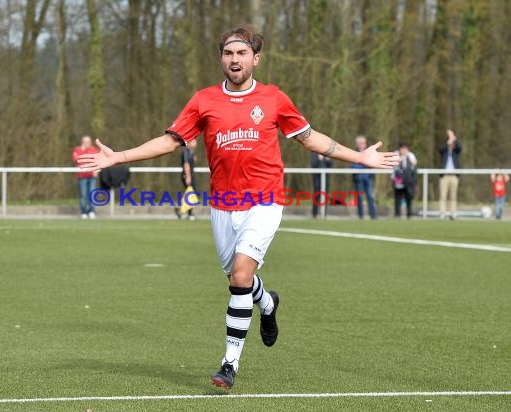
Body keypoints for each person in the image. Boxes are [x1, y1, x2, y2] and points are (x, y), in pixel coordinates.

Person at [77, 26, 399, 389]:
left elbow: (310, 139)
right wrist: (119, 156)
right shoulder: (203, 101)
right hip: (223, 203)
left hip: (266, 200)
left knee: (242, 276)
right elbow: (171, 142)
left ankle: (229, 364)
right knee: (238, 280)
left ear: (255, 59)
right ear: (221, 58)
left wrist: (360, 157)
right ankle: (268, 303)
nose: (235, 60)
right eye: (228, 53)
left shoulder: (274, 99)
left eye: (241, 54)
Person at [72, 136, 99, 219]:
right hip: (82, 176)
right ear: (82, 142)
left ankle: (91, 211)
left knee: (92, 194)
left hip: (92, 176)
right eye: (85, 142)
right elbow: (76, 159)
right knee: (83, 195)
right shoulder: (77, 150)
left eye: (88, 142)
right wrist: (83, 150)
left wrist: (96, 170)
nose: (87, 143)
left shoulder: (94, 150)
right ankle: (83, 212)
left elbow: (97, 161)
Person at [351, 135, 377, 219]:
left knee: (370, 196)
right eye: (361, 143)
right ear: (357, 144)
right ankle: (360, 216)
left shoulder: (370, 153)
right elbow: (353, 166)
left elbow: (373, 163)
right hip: (359, 179)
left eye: (364, 143)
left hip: (368, 178)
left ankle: (373, 216)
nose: (363, 145)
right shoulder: (353, 153)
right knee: (359, 197)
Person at [439, 129, 462, 219]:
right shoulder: (444, 150)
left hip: (454, 176)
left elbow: (460, 147)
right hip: (444, 176)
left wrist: (454, 138)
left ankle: (453, 213)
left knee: (453, 196)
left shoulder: (456, 152)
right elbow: (441, 149)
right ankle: (442, 213)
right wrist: (448, 142)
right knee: (443, 195)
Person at [391, 143, 418, 218]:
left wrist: (406, 157)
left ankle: (409, 214)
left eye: (405, 149)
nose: (403, 150)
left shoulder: (410, 155)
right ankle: (397, 214)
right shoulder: (396, 154)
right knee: (397, 197)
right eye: (402, 149)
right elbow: (393, 164)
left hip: (408, 180)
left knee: (408, 197)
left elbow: (414, 163)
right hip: (398, 179)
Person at [175, 139, 198, 220]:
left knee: (191, 194)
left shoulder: (190, 152)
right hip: (187, 176)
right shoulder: (186, 152)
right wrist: (188, 177)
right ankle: (187, 213)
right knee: (191, 194)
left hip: (190, 176)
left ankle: (183, 210)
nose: (196, 143)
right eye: (194, 141)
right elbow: (186, 165)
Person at [310, 153, 332, 218]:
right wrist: (319, 159)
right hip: (317, 178)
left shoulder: (326, 154)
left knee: (325, 196)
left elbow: (330, 165)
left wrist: (328, 160)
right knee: (316, 195)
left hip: (326, 178)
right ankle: (315, 214)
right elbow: (313, 164)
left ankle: (324, 214)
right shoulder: (314, 154)